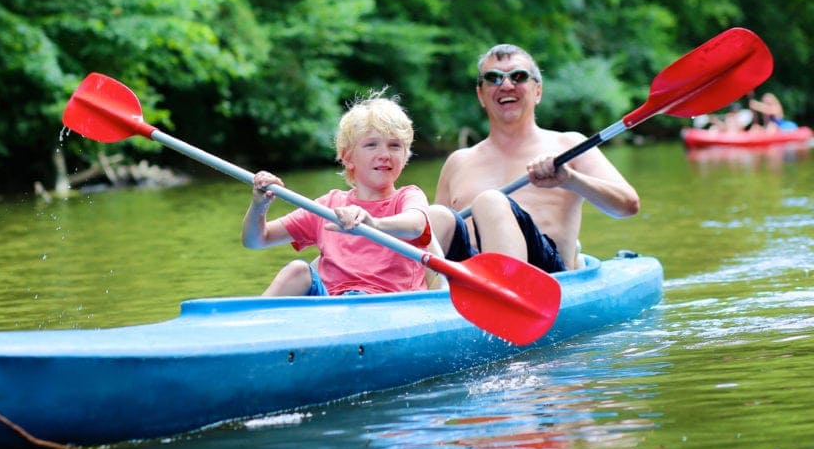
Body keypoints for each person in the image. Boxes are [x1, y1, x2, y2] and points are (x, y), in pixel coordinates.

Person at [427, 44, 640, 273]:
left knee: (491, 201)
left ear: (537, 90)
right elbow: (437, 238)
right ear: (481, 94)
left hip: (545, 273)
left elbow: (628, 205)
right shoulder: (458, 162)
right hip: (471, 276)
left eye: (518, 76)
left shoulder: (569, 146)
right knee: (434, 217)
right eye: (493, 78)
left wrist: (570, 179)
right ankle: (415, 296)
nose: (506, 85)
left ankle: (507, 293)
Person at [242, 89, 437, 296]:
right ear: (347, 157)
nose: (384, 155)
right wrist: (259, 206)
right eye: (371, 145)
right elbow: (255, 240)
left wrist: (372, 224)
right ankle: (252, 324)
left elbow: (416, 226)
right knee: (297, 271)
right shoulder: (328, 206)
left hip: (387, 303)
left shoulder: (408, 196)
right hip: (334, 306)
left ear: (405, 155)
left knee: (357, 295)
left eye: (395, 146)